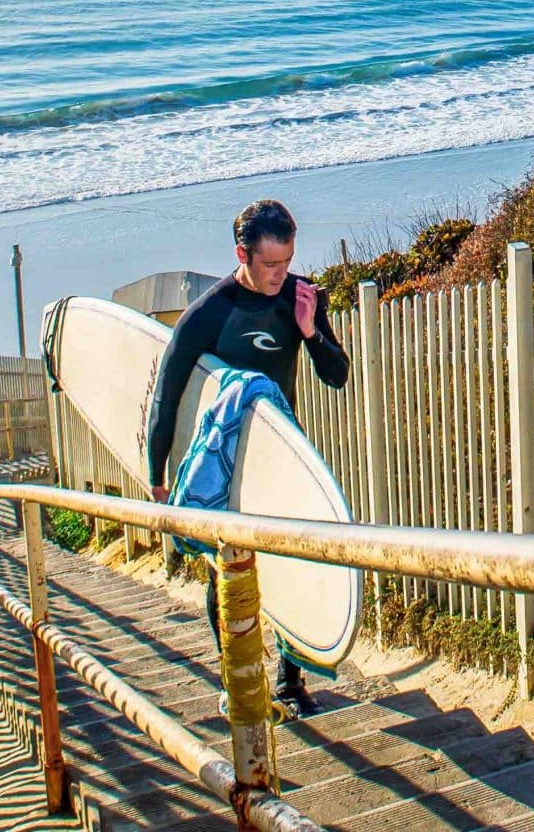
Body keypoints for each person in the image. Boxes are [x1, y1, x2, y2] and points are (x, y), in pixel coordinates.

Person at [145, 197, 348, 716]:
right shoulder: (209, 313)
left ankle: (290, 682)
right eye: (270, 264)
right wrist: (157, 474)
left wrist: (309, 329)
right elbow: (166, 393)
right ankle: (240, 676)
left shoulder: (299, 299)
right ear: (242, 253)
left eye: (287, 260)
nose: (281, 273)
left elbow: (337, 374)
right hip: (227, 464)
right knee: (227, 572)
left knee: (292, 564)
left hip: (280, 454)